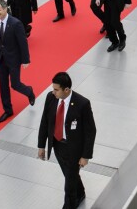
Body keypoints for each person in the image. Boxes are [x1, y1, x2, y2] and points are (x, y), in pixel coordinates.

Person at [38, 72, 97, 209]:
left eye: (56, 89)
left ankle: (69, 205)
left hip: (74, 149)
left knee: (69, 181)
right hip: (58, 145)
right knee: (70, 174)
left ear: (66, 89)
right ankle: (80, 193)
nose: (53, 92)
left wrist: (85, 156)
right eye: (53, 88)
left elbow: (90, 131)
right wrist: (41, 146)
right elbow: (45, 122)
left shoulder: (82, 104)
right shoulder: (51, 98)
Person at [0, 0, 35, 122]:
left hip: (14, 59)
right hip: (1, 59)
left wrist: (26, 60)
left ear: (5, 9)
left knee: (15, 84)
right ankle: (8, 110)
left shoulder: (16, 23)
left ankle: (29, 91)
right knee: (3, 86)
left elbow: (23, 43)